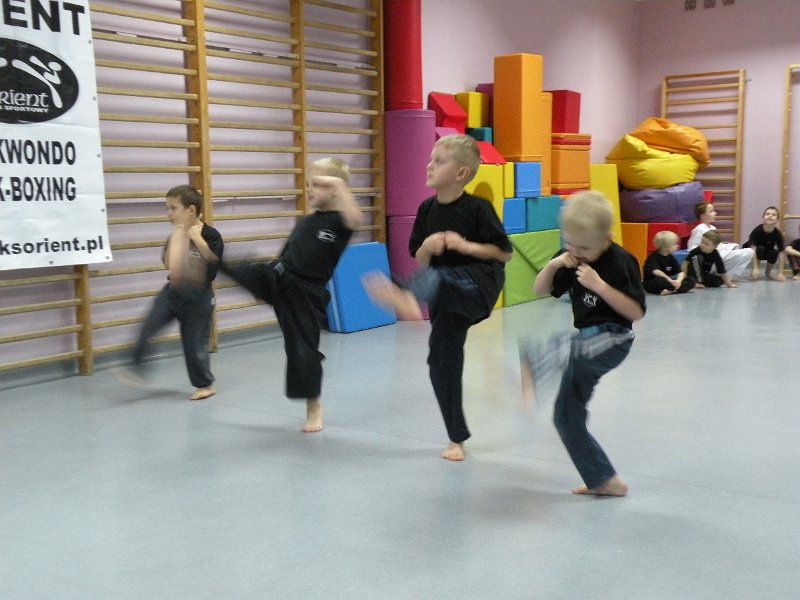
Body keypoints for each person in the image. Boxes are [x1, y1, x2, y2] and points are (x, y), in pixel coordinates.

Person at [364, 134, 513, 461]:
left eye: (439, 161)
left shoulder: (478, 208)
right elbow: (420, 257)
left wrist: (465, 246)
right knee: (440, 363)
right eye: (431, 159)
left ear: (461, 173)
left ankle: (407, 295)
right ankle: (456, 438)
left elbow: (503, 253)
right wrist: (427, 248)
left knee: (439, 279)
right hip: (442, 293)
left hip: (478, 285)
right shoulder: (426, 209)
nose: (429, 165)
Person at [220, 157, 363, 432]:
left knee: (302, 350)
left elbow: (356, 217)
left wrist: (337, 182)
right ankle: (202, 265)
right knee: (237, 267)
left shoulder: (340, 223)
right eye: (308, 184)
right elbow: (288, 252)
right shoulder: (307, 221)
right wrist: (265, 289)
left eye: (316, 185)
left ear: (335, 189)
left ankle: (314, 406)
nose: (308, 189)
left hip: (306, 294)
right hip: (279, 277)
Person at [526, 190, 646, 497]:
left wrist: (599, 286)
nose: (576, 253)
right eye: (570, 244)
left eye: (585, 248)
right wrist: (554, 265)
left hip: (613, 338)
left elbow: (636, 312)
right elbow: (539, 289)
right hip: (584, 344)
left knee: (573, 344)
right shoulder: (570, 257)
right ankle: (604, 479)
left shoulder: (621, 261)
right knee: (565, 417)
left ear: (606, 238)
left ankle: (541, 361)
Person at [117, 185, 224, 400]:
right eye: (168, 208)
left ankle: (205, 385)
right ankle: (136, 366)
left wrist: (197, 239)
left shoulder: (211, 235)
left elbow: (214, 267)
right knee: (148, 326)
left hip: (199, 297)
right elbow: (168, 265)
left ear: (190, 210)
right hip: (173, 293)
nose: (169, 213)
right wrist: (178, 239)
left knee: (194, 345)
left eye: (173, 208)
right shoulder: (175, 234)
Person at [687, 201, 753, 280]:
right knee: (746, 252)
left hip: (717, 256)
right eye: (711, 211)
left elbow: (717, 245)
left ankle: (727, 276)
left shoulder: (712, 228)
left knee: (749, 252)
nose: (715, 213)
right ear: (703, 216)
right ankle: (724, 276)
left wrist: (729, 247)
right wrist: (706, 251)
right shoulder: (699, 229)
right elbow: (692, 249)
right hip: (707, 261)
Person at [642, 230, 695, 295]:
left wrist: (678, 281)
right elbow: (656, 271)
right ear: (666, 247)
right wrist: (670, 280)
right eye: (675, 244)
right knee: (660, 280)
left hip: (669, 283)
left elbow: (680, 272)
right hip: (654, 282)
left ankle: (670, 290)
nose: (677, 246)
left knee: (691, 280)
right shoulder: (653, 257)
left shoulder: (670, 257)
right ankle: (673, 289)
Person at [743, 206, 786, 281]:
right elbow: (753, 249)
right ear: (763, 218)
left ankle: (768, 273)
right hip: (751, 251)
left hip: (766, 250)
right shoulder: (757, 231)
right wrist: (755, 268)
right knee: (760, 249)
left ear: (777, 220)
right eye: (767, 214)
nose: (770, 216)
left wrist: (780, 273)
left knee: (774, 252)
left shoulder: (777, 234)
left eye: (774, 215)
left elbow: (781, 253)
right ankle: (754, 272)